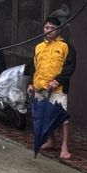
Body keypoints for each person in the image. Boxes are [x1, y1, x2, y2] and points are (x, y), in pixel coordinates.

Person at [26, 15, 77, 159]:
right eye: (46, 27)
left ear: (58, 30)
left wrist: (57, 81)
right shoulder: (38, 47)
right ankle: (51, 141)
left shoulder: (65, 47)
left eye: (52, 28)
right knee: (44, 116)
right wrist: (31, 83)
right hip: (39, 87)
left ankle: (64, 147)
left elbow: (70, 67)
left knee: (62, 117)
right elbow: (33, 67)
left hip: (58, 89)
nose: (48, 30)